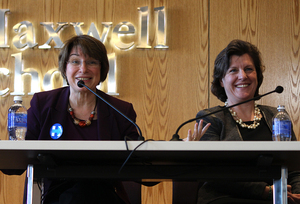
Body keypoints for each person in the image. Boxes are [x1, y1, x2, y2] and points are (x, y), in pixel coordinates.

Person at [25, 35, 140, 203]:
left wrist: (182, 146)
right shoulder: (43, 105)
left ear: (102, 69)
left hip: (104, 196)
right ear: (65, 68)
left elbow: (139, 162)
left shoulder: (120, 110)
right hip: (54, 196)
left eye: (92, 62)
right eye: (75, 61)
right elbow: (20, 154)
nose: (83, 69)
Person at [187, 39, 300, 204]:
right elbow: (214, 173)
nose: (243, 76)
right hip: (226, 199)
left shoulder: (277, 116)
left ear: (257, 76)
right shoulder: (211, 118)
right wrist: (265, 191)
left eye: (249, 69)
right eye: (233, 70)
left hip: (279, 198)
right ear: (221, 80)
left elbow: (295, 168)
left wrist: (297, 194)